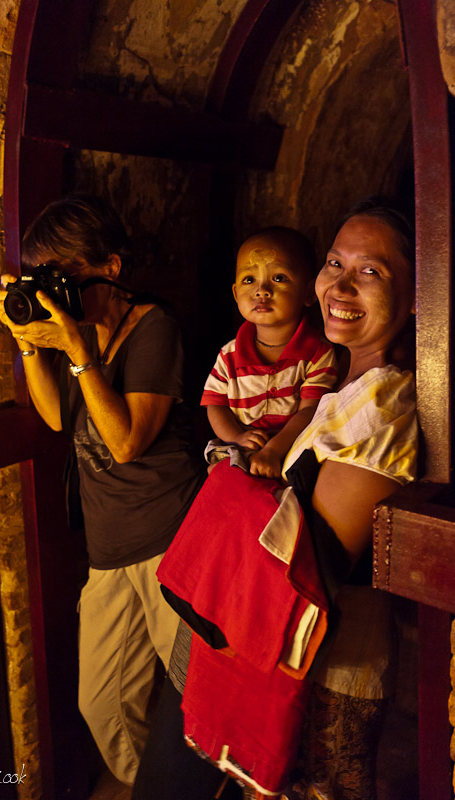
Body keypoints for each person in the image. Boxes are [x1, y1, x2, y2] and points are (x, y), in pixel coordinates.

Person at [133, 197, 418, 800]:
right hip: (242, 635)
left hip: (307, 667)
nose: (341, 285)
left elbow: (310, 560)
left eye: (370, 271)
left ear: (418, 295)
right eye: (335, 264)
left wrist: (227, 491)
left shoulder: (385, 406)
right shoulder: (339, 380)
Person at [0, 193, 204, 786]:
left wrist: (77, 352)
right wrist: (29, 341)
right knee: (103, 704)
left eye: (64, 273)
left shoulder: (154, 326)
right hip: (109, 547)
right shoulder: (81, 329)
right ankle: (150, 790)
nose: (53, 288)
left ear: (111, 267)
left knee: (196, 696)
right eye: (43, 276)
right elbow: (56, 419)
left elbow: (126, 442)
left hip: (169, 540)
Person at [202, 227, 337, 479]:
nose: (261, 290)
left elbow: (310, 411)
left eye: (279, 278)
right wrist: (238, 437)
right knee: (220, 472)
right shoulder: (229, 354)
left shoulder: (317, 352)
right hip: (238, 446)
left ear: (309, 292)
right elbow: (215, 405)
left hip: (290, 446)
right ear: (235, 294)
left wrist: (273, 450)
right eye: (249, 280)